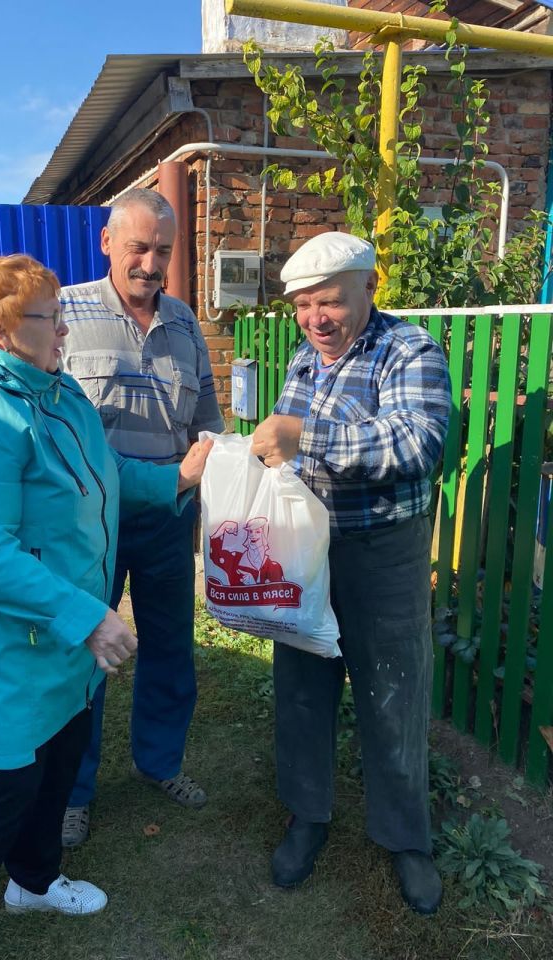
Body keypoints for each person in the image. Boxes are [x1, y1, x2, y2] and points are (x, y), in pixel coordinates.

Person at [0, 253, 211, 960]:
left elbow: (104, 476)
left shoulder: (56, 391)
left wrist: (176, 477)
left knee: (60, 757)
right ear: (5, 327)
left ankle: (34, 881)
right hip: (14, 644)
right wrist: (88, 616)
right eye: (51, 319)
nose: (64, 333)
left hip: (66, 640)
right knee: (5, 788)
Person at [250, 232, 451, 915]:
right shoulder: (307, 360)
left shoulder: (409, 349)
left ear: (370, 285)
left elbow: (416, 442)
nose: (315, 319)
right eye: (304, 305)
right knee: (302, 684)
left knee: (394, 691)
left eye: (329, 301)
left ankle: (406, 838)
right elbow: (285, 452)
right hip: (310, 547)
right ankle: (308, 815)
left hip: (383, 549)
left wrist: (305, 437)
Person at [58, 188, 224, 847]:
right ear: (107, 243)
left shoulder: (184, 324)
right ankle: (73, 789)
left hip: (165, 521)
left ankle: (159, 763)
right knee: (86, 651)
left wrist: (222, 455)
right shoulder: (64, 312)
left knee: (169, 647)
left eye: (162, 251)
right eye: (138, 248)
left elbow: (206, 416)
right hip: (86, 524)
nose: (150, 264)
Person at [209, 517, 285, 585]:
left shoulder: (274, 567)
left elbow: (282, 595)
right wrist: (224, 527)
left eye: (258, 532)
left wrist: (253, 584)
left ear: (264, 535)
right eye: (250, 532)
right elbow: (215, 555)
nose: (252, 535)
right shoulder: (236, 560)